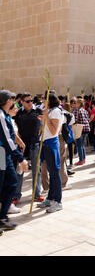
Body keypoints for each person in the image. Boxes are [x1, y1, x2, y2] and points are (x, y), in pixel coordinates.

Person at [0, 90, 28, 231]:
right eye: (11, 99)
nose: (13, 101)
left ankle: (3, 216)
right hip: (1, 154)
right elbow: (7, 139)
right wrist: (21, 158)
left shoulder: (5, 115)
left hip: (5, 155)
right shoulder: (0, 116)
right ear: (6, 101)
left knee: (11, 182)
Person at [13, 92, 45, 203]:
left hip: (35, 144)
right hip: (22, 145)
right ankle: (16, 196)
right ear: (22, 102)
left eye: (31, 100)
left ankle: (37, 194)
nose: (30, 103)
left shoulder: (38, 111)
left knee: (36, 170)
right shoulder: (18, 113)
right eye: (27, 101)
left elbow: (43, 124)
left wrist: (39, 135)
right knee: (20, 170)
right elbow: (14, 125)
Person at [37, 93, 64, 213]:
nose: (42, 101)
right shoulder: (51, 111)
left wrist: (46, 117)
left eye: (44, 99)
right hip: (46, 143)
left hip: (50, 143)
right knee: (51, 171)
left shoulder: (55, 112)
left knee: (54, 173)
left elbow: (54, 131)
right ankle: (50, 198)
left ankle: (58, 201)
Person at [73, 98, 90, 166]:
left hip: (80, 129)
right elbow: (88, 119)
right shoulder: (84, 110)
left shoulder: (77, 110)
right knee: (82, 144)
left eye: (76, 103)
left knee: (79, 145)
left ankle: (81, 160)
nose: (75, 104)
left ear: (79, 104)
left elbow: (75, 119)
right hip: (86, 128)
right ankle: (83, 159)